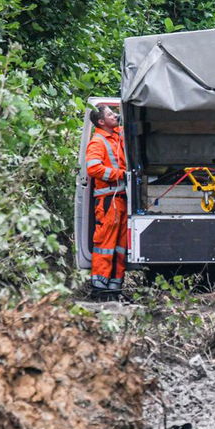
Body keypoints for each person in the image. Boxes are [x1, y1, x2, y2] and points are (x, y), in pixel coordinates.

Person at [84, 104, 128, 301]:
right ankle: (100, 288)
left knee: (120, 246)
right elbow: (93, 169)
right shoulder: (98, 141)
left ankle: (114, 288)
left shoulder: (116, 136)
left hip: (120, 200)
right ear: (101, 122)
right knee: (105, 244)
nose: (115, 116)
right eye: (111, 114)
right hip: (108, 201)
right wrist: (120, 175)